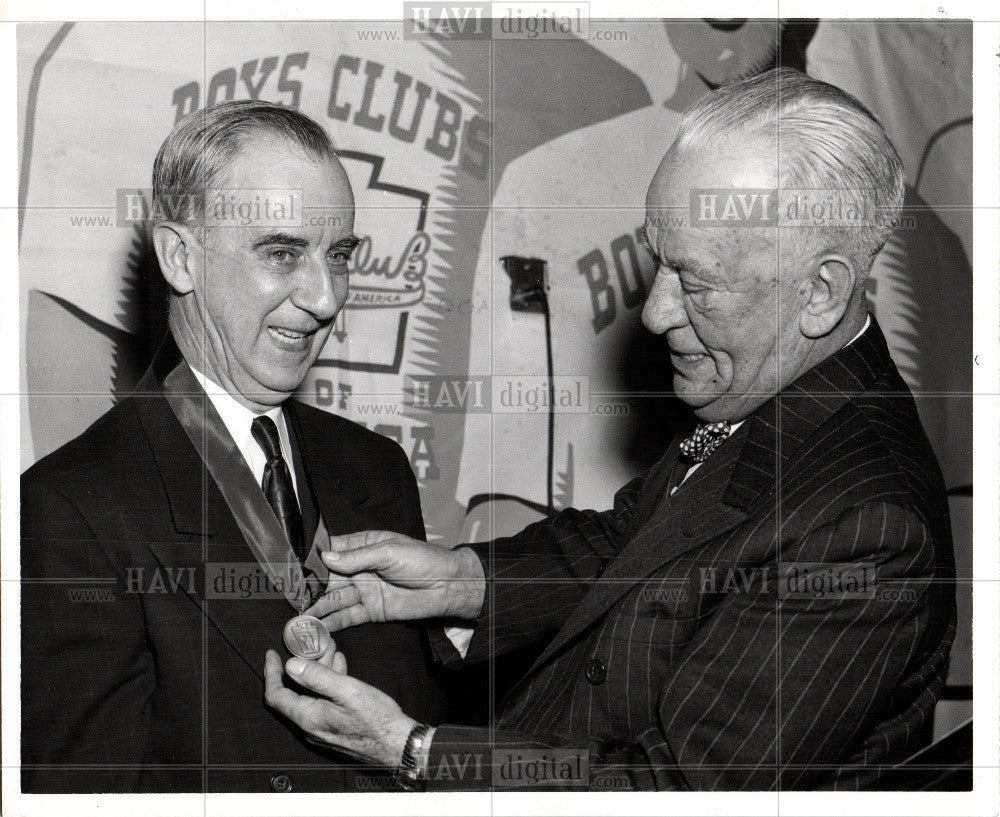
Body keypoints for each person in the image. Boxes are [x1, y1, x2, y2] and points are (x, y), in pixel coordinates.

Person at [264, 69, 957, 791]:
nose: (656, 313)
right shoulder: (778, 387)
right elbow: (635, 548)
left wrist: (415, 749)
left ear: (821, 291)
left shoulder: (869, 530)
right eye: (660, 262)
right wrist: (461, 578)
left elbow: (675, 791)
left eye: (695, 283)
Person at [20, 100, 451, 793]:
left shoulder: (378, 469)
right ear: (180, 256)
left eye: (337, 256)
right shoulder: (73, 507)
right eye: (282, 253)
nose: (325, 298)